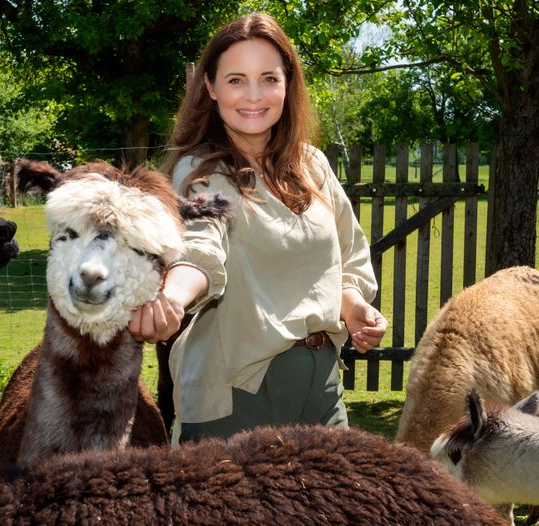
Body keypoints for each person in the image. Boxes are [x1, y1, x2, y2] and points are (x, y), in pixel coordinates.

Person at [128, 13, 387, 444]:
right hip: (235, 397)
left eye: (268, 78)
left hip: (323, 390)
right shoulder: (199, 171)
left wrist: (354, 307)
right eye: (235, 80)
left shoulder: (313, 166)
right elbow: (199, 251)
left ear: (288, 82)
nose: (253, 95)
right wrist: (171, 299)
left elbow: (345, 259)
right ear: (210, 87)